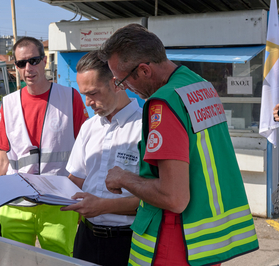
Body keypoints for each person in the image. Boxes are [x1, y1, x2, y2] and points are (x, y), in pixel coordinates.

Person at [99, 24, 259, 266]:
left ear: (143, 70)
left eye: (121, 82)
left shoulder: (163, 103)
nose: (126, 90)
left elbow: (174, 197)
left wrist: (123, 178)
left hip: (172, 242)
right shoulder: (199, 85)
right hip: (205, 242)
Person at [0, 37, 88, 256]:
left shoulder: (70, 98)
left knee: (62, 261)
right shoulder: (8, 103)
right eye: (21, 63)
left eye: (33, 60)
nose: (28, 68)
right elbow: (3, 160)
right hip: (15, 204)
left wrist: (84, 198)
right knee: (14, 261)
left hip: (60, 203)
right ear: (15, 67)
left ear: (44, 62)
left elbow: (85, 153)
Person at [60, 51, 142, 266]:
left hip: (130, 241)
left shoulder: (147, 127)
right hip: (86, 238)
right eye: (84, 94)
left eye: (93, 93)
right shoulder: (90, 126)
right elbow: (76, 179)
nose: (88, 103)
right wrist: (41, 191)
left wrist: (103, 206)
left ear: (116, 83)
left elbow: (159, 198)